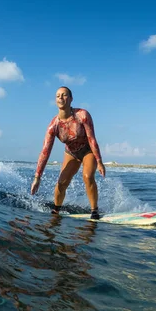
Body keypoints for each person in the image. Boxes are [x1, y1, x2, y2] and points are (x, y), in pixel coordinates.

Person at [30, 86, 106, 219]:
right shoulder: (53, 125)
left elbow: (92, 138)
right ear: (55, 100)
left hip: (88, 150)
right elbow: (45, 152)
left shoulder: (82, 115)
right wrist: (37, 177)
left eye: (64, 95)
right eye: (58, 95)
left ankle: (94, 211)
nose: (61, 97)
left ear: (71, 99)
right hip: (71, 153)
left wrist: (99, 161)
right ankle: (56, 210)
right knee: (61, 183)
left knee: (87, 176)